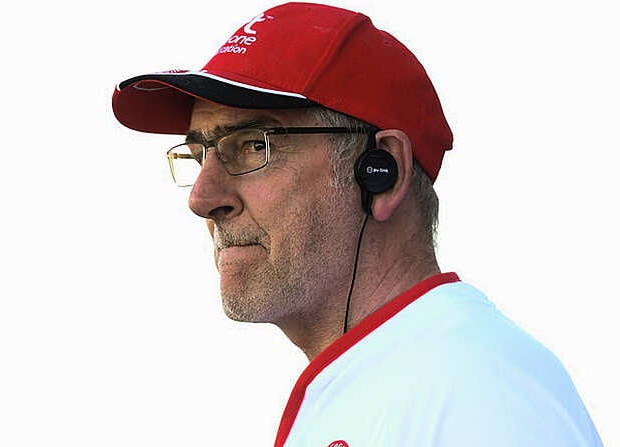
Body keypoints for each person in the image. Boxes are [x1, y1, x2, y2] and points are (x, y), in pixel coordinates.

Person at [111, 2, 603, 446]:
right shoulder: (384, 382)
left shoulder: (484, 393)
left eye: (256, 144)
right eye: (198, 155)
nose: (202, 198)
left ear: (381, 173)